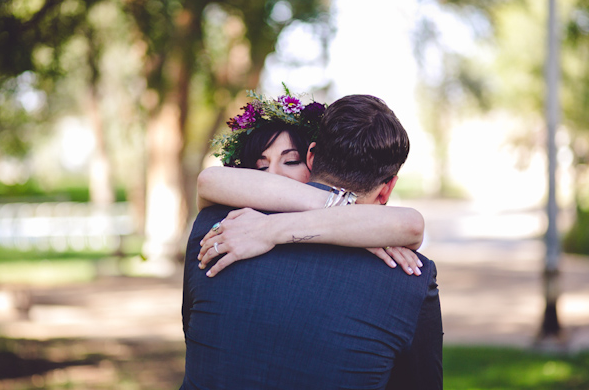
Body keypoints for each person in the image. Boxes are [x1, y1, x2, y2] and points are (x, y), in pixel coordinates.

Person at [180, 94, 443, 389]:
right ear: (387, 189)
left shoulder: (219, 230)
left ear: (311, 156)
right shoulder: (409, 274)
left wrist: (271, 229)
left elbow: (193, 330)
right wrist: (355, 215)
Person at [196, 92, 425, 277]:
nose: (273, 176)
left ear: (311, 161)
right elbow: (208, 179)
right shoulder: (231, 226)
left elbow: (412, 224)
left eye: (290, 161)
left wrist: (270, 230)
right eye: (261, 167)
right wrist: (354, 214)